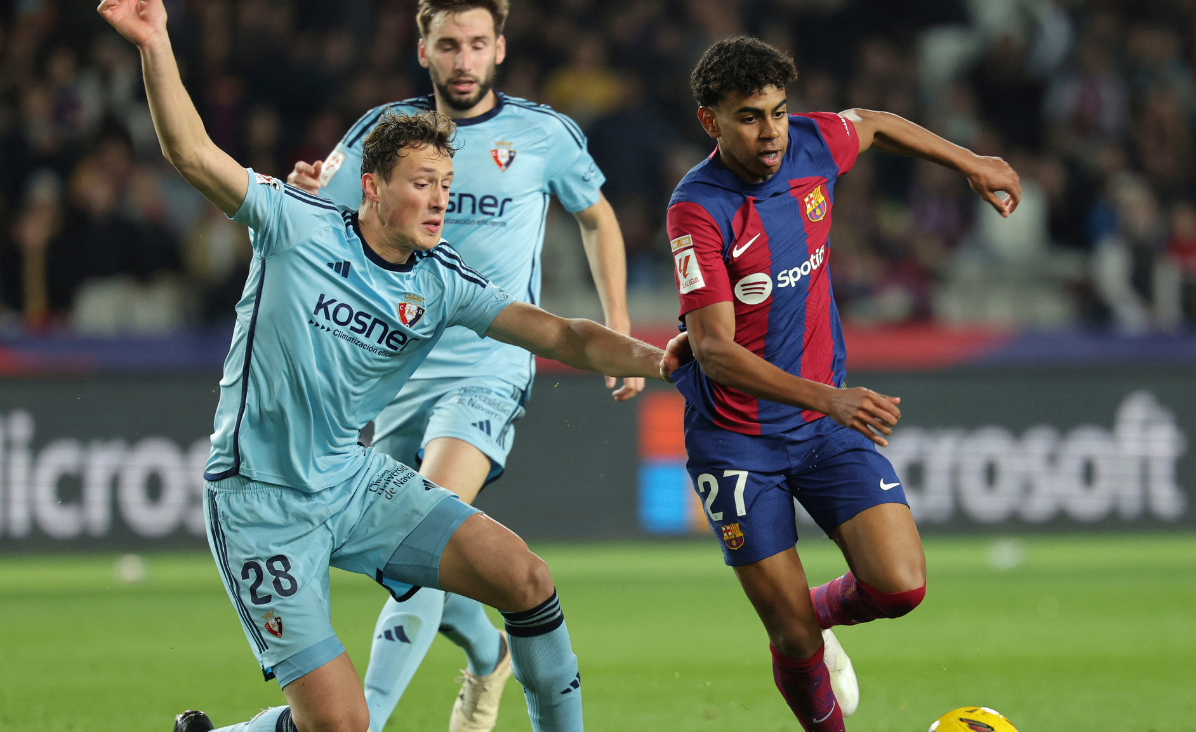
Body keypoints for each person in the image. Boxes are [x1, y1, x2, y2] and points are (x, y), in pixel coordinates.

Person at [93, 2, 674, 731]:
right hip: (262, 506)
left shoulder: (442, 278)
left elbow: (564, 335)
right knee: (340, 726)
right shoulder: (291, 223)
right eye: (422, 184)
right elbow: (191, 153)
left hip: (355, 479)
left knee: (524, 577)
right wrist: (156, 43)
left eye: (445, 185)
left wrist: (665, 360)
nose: (441, 202)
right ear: (370, 187)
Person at [285, 3, 640, 728]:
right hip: (393, 367)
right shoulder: (387, 135)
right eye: (448, 45)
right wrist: (309, 196)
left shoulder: (542, 135)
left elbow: (598, 216)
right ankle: (489, 653)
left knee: (425, 526)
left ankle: (368, 721)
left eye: (477, 44)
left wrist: (619, 325)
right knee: (408, 562)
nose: (464, 60)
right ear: (424, 52)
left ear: (500, 49)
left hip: (489, 365)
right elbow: (328, 209)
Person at [666, 37, 1020, 732]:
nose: (770, 132)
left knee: (900, 586)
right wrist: (831, 398)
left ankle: (816, 611)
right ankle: (805, 644)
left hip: (822, 428)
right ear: (710, 121)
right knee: (792, 643)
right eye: (748, 116)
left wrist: (970, 163)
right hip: (738, 441)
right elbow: (712, 351)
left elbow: (878, 123)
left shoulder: (810, 143)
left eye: (777, 111)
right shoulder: (697, 209)